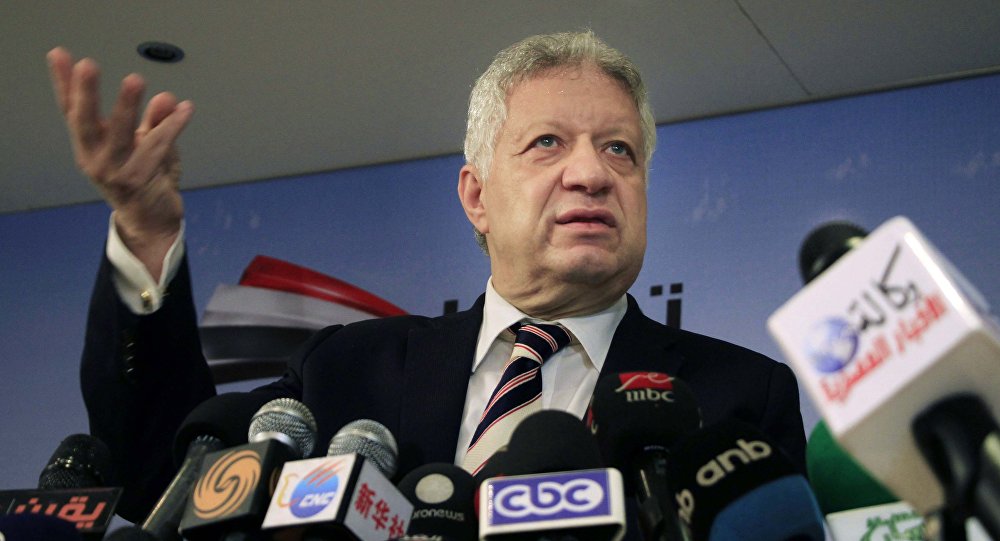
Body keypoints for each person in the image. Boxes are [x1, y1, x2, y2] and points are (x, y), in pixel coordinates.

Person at [49, 31, 806, 524]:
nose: (591, 173)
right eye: (548, 143)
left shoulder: (739, 398)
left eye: (620, 150)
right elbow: (164, 478)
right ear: (477, 197)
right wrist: (146, 235)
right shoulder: (347, 370)